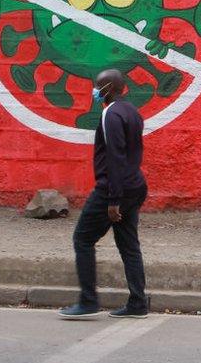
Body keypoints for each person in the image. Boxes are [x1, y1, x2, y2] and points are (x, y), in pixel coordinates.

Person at [59, 69, 149, 319]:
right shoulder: (132, 111)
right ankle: (138, 303)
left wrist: (113, 199)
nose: (95, 91)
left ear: (108, 88)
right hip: (135, 186)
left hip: (114, 189)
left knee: (83, 239)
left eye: (97, 87)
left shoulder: (111, 114)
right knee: (129, 245)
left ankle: (88, 301)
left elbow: (115, 157)